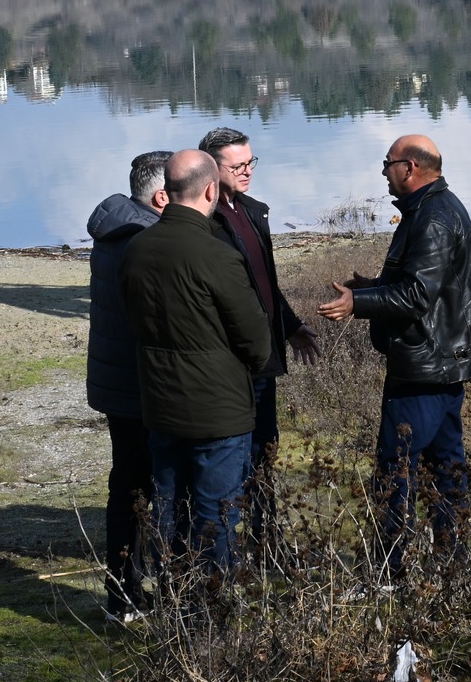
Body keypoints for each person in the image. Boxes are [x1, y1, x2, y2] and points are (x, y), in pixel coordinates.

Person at [318, 134, 471, 571]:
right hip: (440, 364)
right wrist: (372, 288)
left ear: (411, 167)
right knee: (446, 465)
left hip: (425, 367)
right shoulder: (432, 209)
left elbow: (417, 295)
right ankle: (452, 560)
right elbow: (423, 286)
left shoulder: (433, 217)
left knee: (395, 467)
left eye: (388, 163)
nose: (384, 171)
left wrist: (357, 304)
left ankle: (388, 568)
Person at [118, 150, 275, 580]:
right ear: (211, 189)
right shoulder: (217, 255)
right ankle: (210, 618)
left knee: (169, 511)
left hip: (161, 407)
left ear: (167, 192)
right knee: (217, 516)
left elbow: (136, 322)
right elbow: (257, 341)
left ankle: (175, 609)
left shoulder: (137, 249)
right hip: (218, 412)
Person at [198, 127, 318, 538]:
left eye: (251, 162)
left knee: (265, 448)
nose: (248, 171)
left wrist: (290, 326)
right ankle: (226, 541)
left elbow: (263, 283)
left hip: (264, 355)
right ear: (212, 169)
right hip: (232, 360)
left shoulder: (252, 210)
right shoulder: (205, 223)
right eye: (238, 165)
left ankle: (265, 535)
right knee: (233, 455)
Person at [84, 149, 171, 621]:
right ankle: (129, 593)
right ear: (161, 196)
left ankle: (125, 592)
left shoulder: (115, 230)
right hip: (145, 385)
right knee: (142, 490)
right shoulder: (146, 239)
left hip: (120, 382)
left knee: (128, 487)